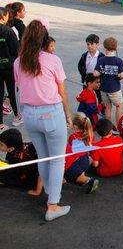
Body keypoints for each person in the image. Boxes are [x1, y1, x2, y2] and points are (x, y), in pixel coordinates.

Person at [13, 20, 71, 221]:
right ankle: (53, 204)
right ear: (44, 39)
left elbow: (19, 87)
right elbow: (62, 92)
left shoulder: (18, 62)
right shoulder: (52, 60)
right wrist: (68, 114)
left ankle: (50, 194)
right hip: (51, 113)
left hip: (29, 115)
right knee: (57, 159)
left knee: (44, 156)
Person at [63, 113, 99, 193]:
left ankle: (89, 180)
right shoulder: (90, 134)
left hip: (78, 159)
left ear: (75, 126)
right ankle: (81, 176)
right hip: (86, 159)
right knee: (79, 167)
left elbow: (71, 154)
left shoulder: (73, 137)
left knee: (69, 175)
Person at [0, 128, 42, 195]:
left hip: (30, 179)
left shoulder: (16, 158)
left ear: (11, 148)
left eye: (1, 145)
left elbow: (10, 172)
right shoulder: (23, 146)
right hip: (30, 171)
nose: (0, 146)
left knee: (2, 177)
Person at [94, 37, 123, 123]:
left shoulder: (101, 60)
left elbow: (95, 73)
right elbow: (122, 75)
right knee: (119, 106)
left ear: (105, 48)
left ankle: (108, 126)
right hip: (114, 88)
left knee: (108, 107)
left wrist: (102, 71)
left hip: (104, 88)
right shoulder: (118, 61)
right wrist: (119, 76)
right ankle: (119, 126)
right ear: (115, 48)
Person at [0, 6, 19, 130]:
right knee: (12, 91)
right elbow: (16, 51)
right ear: (3, 17)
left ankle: (0, 123)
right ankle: (17, 116)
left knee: (0, 93)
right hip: (8, 67)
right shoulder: (8, 31)